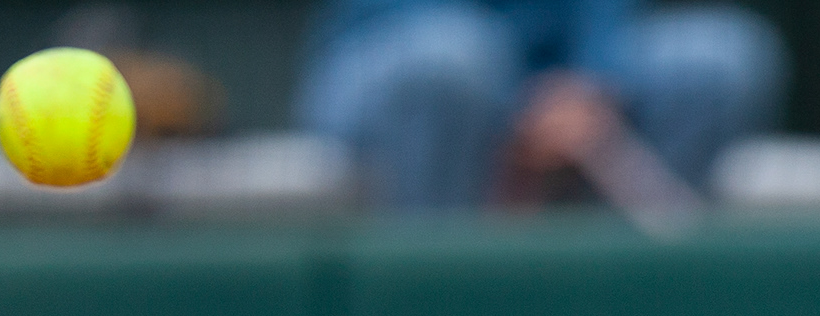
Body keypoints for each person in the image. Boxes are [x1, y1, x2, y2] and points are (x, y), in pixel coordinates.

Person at [299, 0, 785, 214]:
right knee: (452, 62)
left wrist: (592, 85)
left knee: (720, 55)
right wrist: (519, 107)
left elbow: (602, 18)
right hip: (388, 70)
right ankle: (429, 311)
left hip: (552, 82)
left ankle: (620, 299)